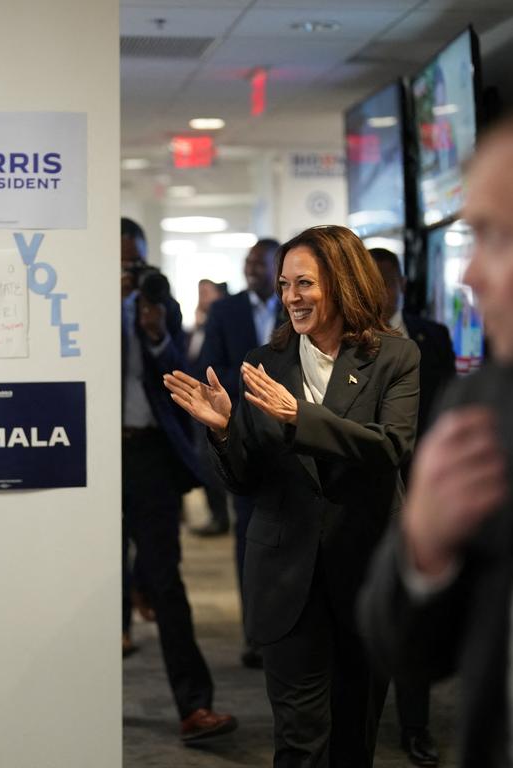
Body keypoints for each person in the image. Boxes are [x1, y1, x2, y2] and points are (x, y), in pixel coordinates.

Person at [360, 94, 513, 768]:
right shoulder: (484, 409)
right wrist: (423, 549)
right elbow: (404, 650)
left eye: (498, 236)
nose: (470, 274)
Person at [165, 224, 420, 766]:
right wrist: (225, 430)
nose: (291, 298)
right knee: (299, 742)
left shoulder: (396, 357)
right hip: (285, 581)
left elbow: (390, 447)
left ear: (344, 283)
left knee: (354, 741)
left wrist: (298, 416)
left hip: (365, 574)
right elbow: (247, 481)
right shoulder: (265, 360)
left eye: (305, 283)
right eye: (285, 285)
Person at [119, 216, 237, 742]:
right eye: (121, 260)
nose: (130, 269)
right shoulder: (68, 302)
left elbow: (173, 366)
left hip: (149, 455)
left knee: (166, 579)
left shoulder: (156, 301)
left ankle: (194, 706)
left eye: (135, 260)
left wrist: (151, 325)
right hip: (85, 459)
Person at [370, 247, 455, 767]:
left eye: (386, 281)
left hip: (420, 491)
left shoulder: (432, 336)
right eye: (369, 281)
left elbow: (445, 407)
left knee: (413, 608)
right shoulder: (349, 340)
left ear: (401, 282)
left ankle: (416, 725)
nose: (379, 291)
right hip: (367, 491)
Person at [194, 237, 282, 668]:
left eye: (260, 263)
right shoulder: (225, 311)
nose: (251, 270)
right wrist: (258, 381)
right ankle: (255, 634)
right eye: (247, 263)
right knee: (248, 539)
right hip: (242, 440)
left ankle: (288, 630)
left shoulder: (298, 309)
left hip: (292, 440)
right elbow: (209, 370)